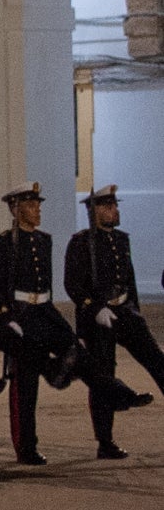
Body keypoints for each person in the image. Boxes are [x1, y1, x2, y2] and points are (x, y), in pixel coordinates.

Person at [64, 185, 163, 458]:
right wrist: (94, 308)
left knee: (157, 360)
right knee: (104, 376)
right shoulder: (81, 242)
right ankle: (105, 441)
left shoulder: (121, 239)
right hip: (100, 317)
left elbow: (128, 278)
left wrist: (135, 308)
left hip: (125, 311)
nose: (114, 210)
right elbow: (72, 284)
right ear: (93, 211)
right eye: (108, 207)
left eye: (114, 206)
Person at [0, 183, 80, 464]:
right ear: (15, 209)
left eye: (38, 204)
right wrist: (7, 318)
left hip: (44, 311)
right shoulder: (4, 242)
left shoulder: (44, 240)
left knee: (75, 350)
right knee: (25, 386)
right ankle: (26, 446)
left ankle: (60, 375)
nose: (37, 209)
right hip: (22, 315)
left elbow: (45, 283)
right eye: (30, 204)